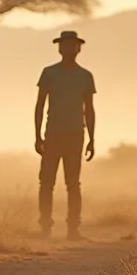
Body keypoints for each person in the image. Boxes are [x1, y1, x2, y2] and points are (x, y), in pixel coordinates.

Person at [34, 30, 96, 240]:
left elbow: (89, 109)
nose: (69, 49)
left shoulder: (85, 76)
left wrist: (92, 138)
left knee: (72, 183)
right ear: (60, 48)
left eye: (73, 45)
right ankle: (45, 227)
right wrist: (37, 135)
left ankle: (73, 228)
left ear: (79, 48)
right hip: (53, 133)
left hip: (75, 135)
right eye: (65, 45)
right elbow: (40, 106)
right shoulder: (49, 73)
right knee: (47, 182)